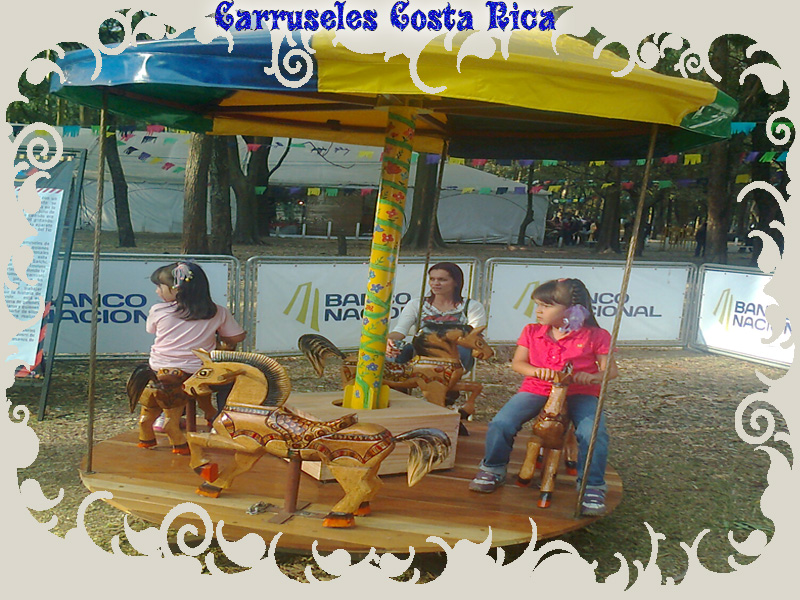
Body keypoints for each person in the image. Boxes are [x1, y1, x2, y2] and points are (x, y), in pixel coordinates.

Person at [468, 277, 617, 516]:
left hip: (580, 392)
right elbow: (518, 363)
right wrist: (537, 371)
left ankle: (592, 485)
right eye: (537, 304)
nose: (538, 310)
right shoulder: (532, 331)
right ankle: (493, 468)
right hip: (537, 388)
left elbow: (611, 370)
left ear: (573, 310)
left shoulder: (596, 335)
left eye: (546, 306)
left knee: (593, 432)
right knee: (501, 423)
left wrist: (593, 377)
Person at [147, 262, 246, 428]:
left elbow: (151, 330)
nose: (157, 291)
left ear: (177, 289)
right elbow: (237, 337)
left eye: (160, 287)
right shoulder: (217, 311)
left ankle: (165, 415)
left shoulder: (158, 310)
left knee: (168, 381)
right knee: (229, 381)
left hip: (161, 367)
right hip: (199, 370)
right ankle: (224, 418)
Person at [387, 262, 487, 372]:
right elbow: (400, 330)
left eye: (442, 280)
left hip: (455, 354)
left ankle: (450, 378)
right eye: (432, 279)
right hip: (421, 351)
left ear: (456, 282)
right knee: (394, 351)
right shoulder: (416, 304)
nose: (435, 283)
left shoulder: (472, 306)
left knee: (462, 350)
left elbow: (473, 336)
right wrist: (388, 341)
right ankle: (396, 379)